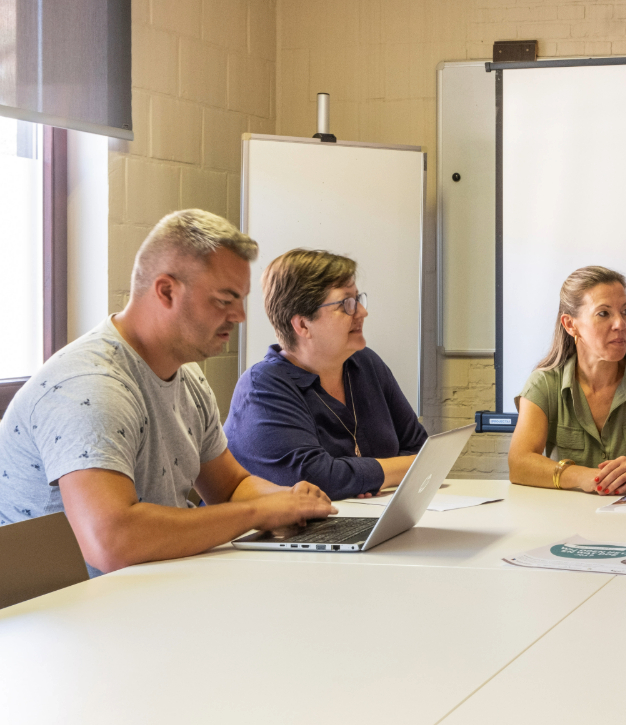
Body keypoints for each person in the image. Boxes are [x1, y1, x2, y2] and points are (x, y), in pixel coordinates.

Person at [0, 210, 336, 576]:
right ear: (166, 291)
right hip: (65, 614)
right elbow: (111, 543)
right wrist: (258, 512)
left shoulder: (187, 376)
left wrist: (289, 502)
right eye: (224, 300)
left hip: (146, 588)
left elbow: (230, 485)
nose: (239, 315)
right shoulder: (92, 387)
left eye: (240, 299)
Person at [224, 249, 427, 500]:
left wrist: (360, 479)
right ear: (302, 325)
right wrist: (382, 474)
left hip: (359, 521)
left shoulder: (366, 363)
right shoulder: (263, 386)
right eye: (346, 304)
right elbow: (318, 478)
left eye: (358, 299)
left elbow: (422, 449)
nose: (362, 312)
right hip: (262, 537)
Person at [507, 266, 626, 494]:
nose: (620, 324)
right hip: (563, 519)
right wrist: (584, 476)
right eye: (604, 313)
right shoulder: (543, 383)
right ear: (570, 325)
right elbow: (519, 463)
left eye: (625, 311)